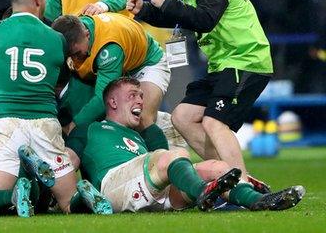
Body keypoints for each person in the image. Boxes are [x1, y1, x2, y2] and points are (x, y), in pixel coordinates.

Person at [0, 0, 112, 217]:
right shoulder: (57, 39)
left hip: (6, 122)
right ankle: (81, 195)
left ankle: (12, 196)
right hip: (45, 122)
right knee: (68, 204)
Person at [126, 0, 273, 189]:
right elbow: (179, 17)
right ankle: (228, 174)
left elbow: (205, 20)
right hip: (222, 66)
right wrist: (144, 10)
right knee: (182, 116)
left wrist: (167, 3)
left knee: (214, 122)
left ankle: (243, 185)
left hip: (246, 60)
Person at [83, 77, 305, 212]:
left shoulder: (142, 134)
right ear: (112, 102)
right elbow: (68, 160)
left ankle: (259, 201)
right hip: (115, 187)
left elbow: (164, 162)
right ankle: (203, 192)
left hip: (154, 193)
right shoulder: (91, 129)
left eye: (141, 95)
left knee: (218, 168)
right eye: (132, 96)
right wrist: (72, 201)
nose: (140, 100)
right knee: (173, 154)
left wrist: (149, 127)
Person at [51, 13, 170, 154]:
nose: (74, 58)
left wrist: (75, 124)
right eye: (70, 55)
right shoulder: (75, 27)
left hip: (147, 63)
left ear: (87, 34)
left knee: (140, 116)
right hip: (122, 64)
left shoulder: (109, 48)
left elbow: (103, 98)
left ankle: (166, 164)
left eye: (77, 53)